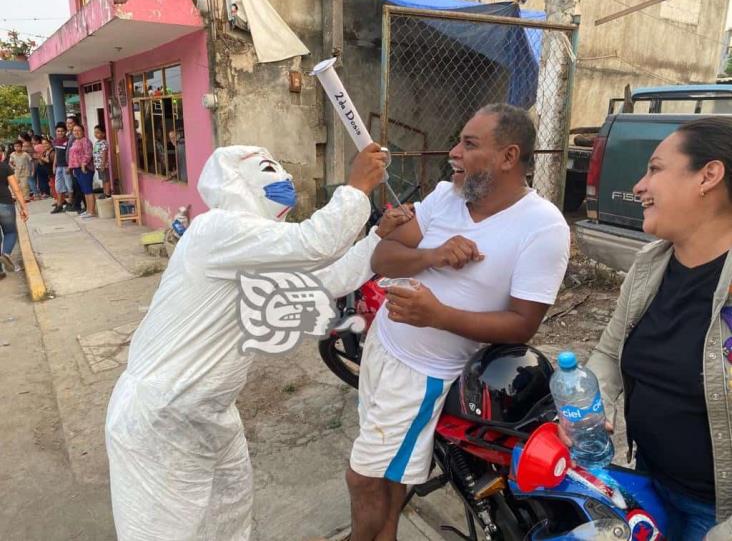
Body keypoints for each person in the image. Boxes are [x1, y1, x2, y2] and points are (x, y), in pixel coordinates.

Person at [105, 143, 412, 540]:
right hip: (161, 415)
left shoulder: (254, 252)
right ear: (237, 182)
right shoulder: (216, 230)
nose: (284, 180)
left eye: (283, 170)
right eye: (269, 169)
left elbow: (324, 282)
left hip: (211, 413)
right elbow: (314, 243)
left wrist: (374, 238)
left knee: (228, 517)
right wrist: (356, 187)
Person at [346, 104, 571, 541]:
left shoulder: (543, 228)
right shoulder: (448, 196)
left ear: (508, 157)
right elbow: (383, 255)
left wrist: (439, 316)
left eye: (469, 144)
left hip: (422, 377)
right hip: (382, 349)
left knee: (365, 479)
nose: (454, 153)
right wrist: (433, 254)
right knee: (387, 478)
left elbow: (521, 325)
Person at [571, 117, 732, 541]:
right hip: (648, 488)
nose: (640, 186)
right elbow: (608, 353)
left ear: (708, 176)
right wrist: (593, 404)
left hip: (719, 514)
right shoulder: (650, 265)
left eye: (656, 169)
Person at [0, 154, 29, 280]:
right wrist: (23, 207)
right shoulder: (5, 167)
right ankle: (5, 254)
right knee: (11, 232)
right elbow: (16, 189)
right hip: (5, 203)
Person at [67, 124, 95, 218]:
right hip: (76, 169)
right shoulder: (75, 141)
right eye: (74, 130)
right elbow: (72, 156)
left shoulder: (86, 141)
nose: (76, 132)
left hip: (85, 168)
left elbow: (88, 154)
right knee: (84, 190)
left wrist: (83, 164)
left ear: (83, 131)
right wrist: (70, 167)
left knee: (88, 190)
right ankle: (88, 210)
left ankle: (91, 211)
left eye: (78, 130)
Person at [51, 123, 72, 214]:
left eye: (62, 131)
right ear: (56, 132)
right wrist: (54, 165)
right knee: (58, 187)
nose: (60, 132)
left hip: (66, 166)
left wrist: (70, 166)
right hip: (58, 167)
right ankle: (59, 205)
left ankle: (70, 203)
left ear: (65, 131)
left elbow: (71, 155)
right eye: (58, 131)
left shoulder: (68, 141)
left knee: (69, 186)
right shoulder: (55, 141)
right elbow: (56, 153)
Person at [93, 125, 110, 198]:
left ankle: (107, 193)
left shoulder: (103, 142)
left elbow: (104, 154)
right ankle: (104, 192)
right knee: (103, 179)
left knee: (106, 179)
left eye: (98, 132)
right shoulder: (97, 142)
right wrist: (96, 165)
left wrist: (102, 164)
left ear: (103, 134)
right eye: (95, 132)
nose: (96, 134)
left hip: (103, 165)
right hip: (98, 165)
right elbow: (96, 153)